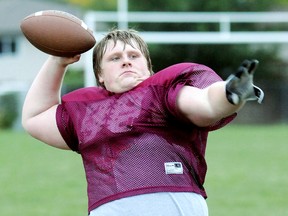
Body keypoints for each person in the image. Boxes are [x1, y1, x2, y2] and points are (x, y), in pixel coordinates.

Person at [22, 29, 264, 216]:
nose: (126, 61)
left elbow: (206, 104)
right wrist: (57, 61)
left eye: (133, 56)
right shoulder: (87, 109)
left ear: (148, 68)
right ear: (100, 75)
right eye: (115, 58)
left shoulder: (161, 91)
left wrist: (230, 92)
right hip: (109, 208)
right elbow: (34, 117)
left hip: (171, 202)